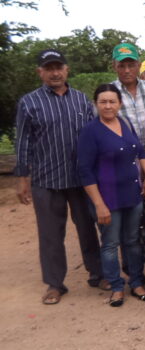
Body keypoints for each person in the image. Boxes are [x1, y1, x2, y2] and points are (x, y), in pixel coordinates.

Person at [15, 49, 105, 305]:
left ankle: (97, 274)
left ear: (67, 70)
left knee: (88, 228)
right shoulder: (29, 102)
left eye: (59, 67)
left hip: (80, 179)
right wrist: (22, 179)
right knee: (51, 235)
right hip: (46, 180)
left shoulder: (81, 100)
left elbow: (94, 135)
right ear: (40, 72)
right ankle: (55, 284)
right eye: (49, 68)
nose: (55, 73)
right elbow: (23, 142)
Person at [77, 84, 145, 307]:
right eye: (103, 102)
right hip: (107, 198)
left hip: (132, 194)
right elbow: (85, 171)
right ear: (96, 104)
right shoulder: (90, 131)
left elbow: (140, 151)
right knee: (111, 243)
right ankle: (116, 286)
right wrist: (98, 204)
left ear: (119, 104)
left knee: (132, 241)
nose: (108, 106)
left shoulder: (125, 123)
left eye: (112, 101)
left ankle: (137, 282)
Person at [111, 42, 145, 148]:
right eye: (121, 66)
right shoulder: (109, 93)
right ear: (114, 67)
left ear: (139, 65)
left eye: (131, 65)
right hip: (125, 154)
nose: (127, 71)